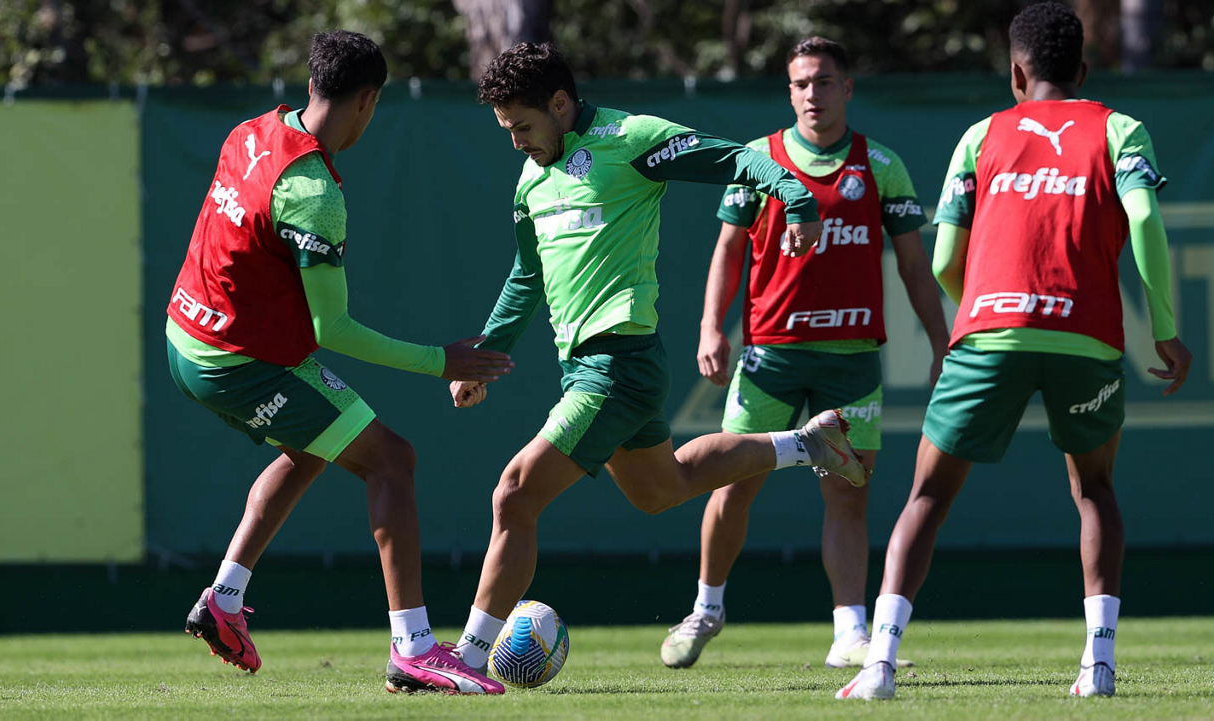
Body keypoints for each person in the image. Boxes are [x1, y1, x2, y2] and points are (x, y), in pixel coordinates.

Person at [447, 41, 869, 673]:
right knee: (661, 489)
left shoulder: (632, 138)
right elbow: (526, 276)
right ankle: (806, 445)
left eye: (523, 126)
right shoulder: (532, 176)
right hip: (593, 368)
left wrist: (799, 201)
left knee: (514, 494)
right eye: (507, 130)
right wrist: (487, 354)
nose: (516, 142)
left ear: (560, 105)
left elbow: (736, 158)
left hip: (616, 365)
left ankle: (467, 659)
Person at [836, 2, 1192, 701]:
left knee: (928, 495)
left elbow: (945, 259)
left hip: (990, 334)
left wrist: (984, 306)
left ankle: (879, 665)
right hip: (1085, 337)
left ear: (1016, 73)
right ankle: (1098, 665)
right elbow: (1145, 216)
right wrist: (1164, 328)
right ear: (1083, 70)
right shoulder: (1120, 128)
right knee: (1094, 491)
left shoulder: (982, 136)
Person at [167, 30, 512, 695]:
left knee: (312, 448)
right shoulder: (315, 192)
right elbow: (334, 328)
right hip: (236, 360)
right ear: (368, 100)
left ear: (309, 85)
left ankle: (224, 598)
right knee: (393, 460)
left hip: (185, 336)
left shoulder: (249, 132)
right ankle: (414, 648)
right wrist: (442, 361)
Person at [659, 36, 949, 671]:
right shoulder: (759, 159)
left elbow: (913, 265)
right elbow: (728, 250)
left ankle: (850, 633)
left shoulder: (881, 165)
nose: (812, 94)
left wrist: (940, 341)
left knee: (848, 494)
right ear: (788, 92)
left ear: (847, 88)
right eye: (800, 84)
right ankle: (707, 607)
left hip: (852, 359)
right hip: (771, 355)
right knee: (733, 485)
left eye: (823, 81)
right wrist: (711, 328)